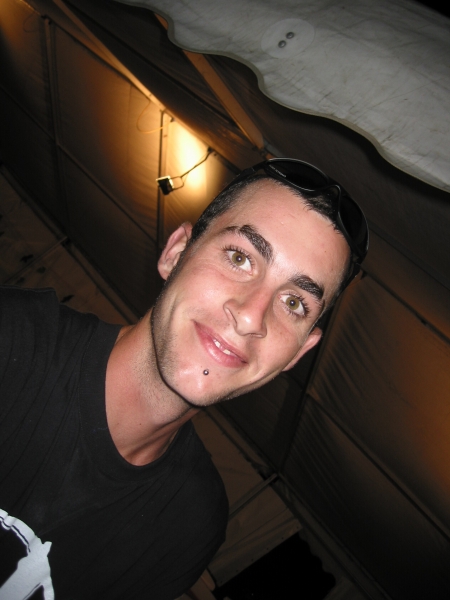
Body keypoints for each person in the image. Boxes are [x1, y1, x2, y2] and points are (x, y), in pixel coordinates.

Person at [0, 159, 368, 599]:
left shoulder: (188, 527)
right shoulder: (11, 340)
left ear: (300, 352)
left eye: (294, 303)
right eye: (240, 258)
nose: (251, 317)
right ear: (176, 253)